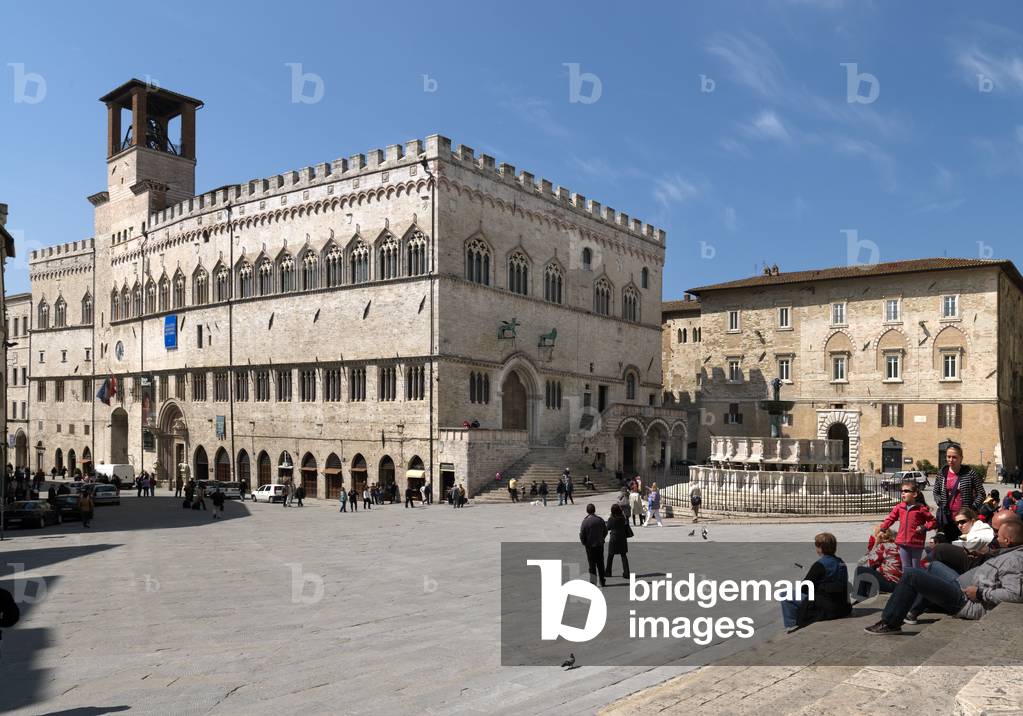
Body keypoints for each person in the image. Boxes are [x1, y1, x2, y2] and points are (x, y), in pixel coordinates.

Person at [865, 520, 1023, 635]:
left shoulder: (1014, 561)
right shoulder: (1009, 552)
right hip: (963, 586)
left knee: (912, 575)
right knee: (933, 566)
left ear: (1008, 541)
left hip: (968, 601)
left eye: (998, 535)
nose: (996, 537)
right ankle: (914, 609)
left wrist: (980, 593)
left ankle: (890, 622)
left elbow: (1014, 594)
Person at [780, 533, 852, 632]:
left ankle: (791, 626)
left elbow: (804, 589)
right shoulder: (841, 562)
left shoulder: (819, 565)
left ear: (820, 548)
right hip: (841, 605)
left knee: (784, 594)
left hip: (826, 605)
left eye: (817, 546)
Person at [878, 481, 936, 570]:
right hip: (902, 543)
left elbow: (933, 521)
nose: (903, 493)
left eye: (906, 491)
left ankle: (918, 582)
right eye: (902, 491)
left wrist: (924, 527)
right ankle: (907, 584)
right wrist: (882, 529)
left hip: (916, 543)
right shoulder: (899, 507)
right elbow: (890, 518)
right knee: (905, 568)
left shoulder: (921, 509)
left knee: (915, 568)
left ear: (914, 494)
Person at [933, 444, 985, 543]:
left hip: (964, 518)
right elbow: (936, 492)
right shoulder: (942, 473)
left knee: (963, 545)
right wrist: (940, 502)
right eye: (948, 457)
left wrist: (973, 507)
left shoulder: (970, 473)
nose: (951, 460)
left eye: (954, 457)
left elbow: (981, 493)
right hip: (947, 517)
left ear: (961, 458)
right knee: (947, 544)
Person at [853, 529, 902, 601]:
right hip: (900, 582)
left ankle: (860, 598)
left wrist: (875, 545)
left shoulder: (883, 546)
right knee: (872, 568)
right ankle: (864, 596)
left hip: (891, 584)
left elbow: (862, 563)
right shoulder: (898, 546)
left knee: (860, 570)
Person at [579, 503, 608, 588]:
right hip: (599, 544)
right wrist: (602, 538)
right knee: (600, 563)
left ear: (587, 511)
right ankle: (602, 580)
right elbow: (605, 531)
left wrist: (584, 543)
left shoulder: (585, 521)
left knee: (592, 564)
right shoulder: (600, 520)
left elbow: (582, 534)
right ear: (594, 510)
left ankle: (593, 582)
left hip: (590, 546)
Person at [605, 503, 633, 578]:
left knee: (610, 556)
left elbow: (608, 528)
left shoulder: (611, 519)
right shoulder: (623, 518)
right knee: (623, 556)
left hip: (614, 538)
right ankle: (626, 573)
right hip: (622, 538)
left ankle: (608, 572)